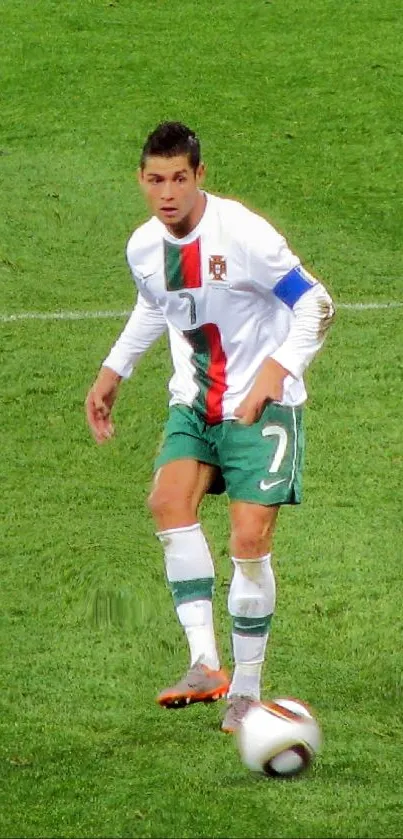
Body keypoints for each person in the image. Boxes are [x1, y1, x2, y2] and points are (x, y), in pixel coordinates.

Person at [85, 121, 334, 733]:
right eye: (154, 180)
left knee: (249, 542)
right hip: (195, 401)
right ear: (140, 182)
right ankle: (205, 663)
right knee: (168, 502)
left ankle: (246, 692)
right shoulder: (144, 246)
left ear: (199, 176)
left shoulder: (244, 234)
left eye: (178, 178)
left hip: (262, 403)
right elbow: (156, 302)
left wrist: (279, 369)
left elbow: (316, 303)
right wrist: (115, 369)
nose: (167, 192)